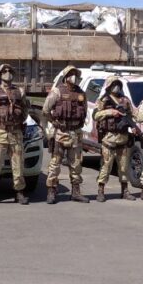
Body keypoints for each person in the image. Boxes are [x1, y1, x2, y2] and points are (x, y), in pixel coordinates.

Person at [0, 64, 31, 206]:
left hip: (16, 133)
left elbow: (25, 110)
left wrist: (16, 122)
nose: (8, 73)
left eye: (10, 71)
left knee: (18, 164)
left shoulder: (20, 91)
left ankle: (19, 192)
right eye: (4, 71)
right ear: (0, 74)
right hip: (0, 132)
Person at [41, 66, 89, 204]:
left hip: (76, 133)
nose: (74, 77)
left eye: (75, 74)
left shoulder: (81, 93)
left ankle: (76, 192)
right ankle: (51, 191)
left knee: (76, 164)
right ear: (66, 76)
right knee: (55, 163)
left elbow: (85, 110)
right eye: (71, 74)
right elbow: (45, 110)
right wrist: (54, 123)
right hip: (61, 133)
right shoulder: (57, 91)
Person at [93, 76, 138, 202]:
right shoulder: (103, 100)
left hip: (123, 138)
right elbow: (95, 115)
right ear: (109, 86)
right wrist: (109, 112)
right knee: (106, 166)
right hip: (109, 138)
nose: (116, 87)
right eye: (114, 85)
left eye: (118, 84)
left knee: (124, 167)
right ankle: (101, 191)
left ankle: (125, 191)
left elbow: (133, 114)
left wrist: (135, 125)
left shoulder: (125, 100)